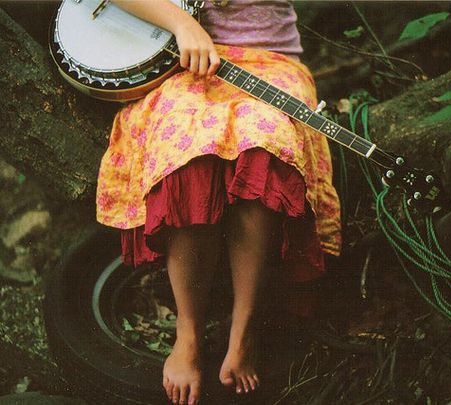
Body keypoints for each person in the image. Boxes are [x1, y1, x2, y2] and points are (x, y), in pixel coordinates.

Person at [96, 1, 341, 404]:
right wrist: (182, 24)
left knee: (264, 148)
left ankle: (244, 330)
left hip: (268, 64)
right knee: (185, 157)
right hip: (179, 63)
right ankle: (188, 332)